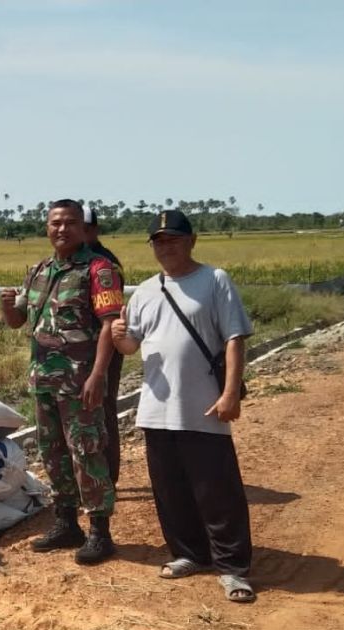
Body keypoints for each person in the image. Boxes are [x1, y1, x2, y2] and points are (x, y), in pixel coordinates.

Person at [110, 210, 256, 603]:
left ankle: (232, 567)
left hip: (203, 404)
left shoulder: (214, 281)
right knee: (170, 489)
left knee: (217, 490)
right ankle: (189, 552)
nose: (166, 246)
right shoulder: (144, 291)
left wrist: (229, 394)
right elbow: (131, 347)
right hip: (156, 407)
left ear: (192, 241)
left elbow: (235, 339)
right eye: (159, 241)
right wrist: (118, 334)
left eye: (174, 239)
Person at [0, 199, 122, 564]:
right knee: (53, 453)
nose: (61, 229)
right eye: (55, 223)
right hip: (44, 381)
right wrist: (8, 306)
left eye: (70, 223)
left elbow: (109, 326)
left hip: (79, 381)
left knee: (87, 451)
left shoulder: (100, 270)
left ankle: (100, 531)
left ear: (83, 228)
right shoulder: (39, 271)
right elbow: (18, 321)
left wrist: (98, 375)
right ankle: (66, 522)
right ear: (47, 227)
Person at [85, 208, 125, 486]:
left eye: (85, 228)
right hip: (80, 350)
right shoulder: (75, 261)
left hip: (105, 346)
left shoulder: (105, 264)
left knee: (104, 408)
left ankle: (109, 476)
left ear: (95, 230)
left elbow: (110, 319)